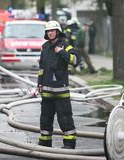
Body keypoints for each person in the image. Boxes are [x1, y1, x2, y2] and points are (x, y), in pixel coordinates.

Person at [37, 20, 79, 149]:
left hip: (61, 92)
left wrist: (61, 52)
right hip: (47, 92)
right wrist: (39, 83)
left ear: (58, 32)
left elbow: (75, 60)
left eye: (52, 31)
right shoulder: (45, 47)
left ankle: (69, 144)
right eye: (48, 31)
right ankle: (44, 143)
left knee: (65, 119)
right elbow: (42, 67)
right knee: (45, 119)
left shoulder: (66, 46)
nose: (50, 33)